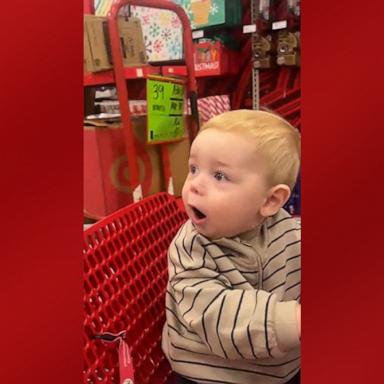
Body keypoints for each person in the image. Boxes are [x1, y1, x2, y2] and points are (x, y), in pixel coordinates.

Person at [162, 109, 301, 384]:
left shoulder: (285, 229)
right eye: (193, 169)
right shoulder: (192, 248)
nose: (194, 186)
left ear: (271, 201)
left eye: (219, 176)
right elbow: (219, 316)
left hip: (281, 368)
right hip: (211, 374)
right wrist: (295, 320)